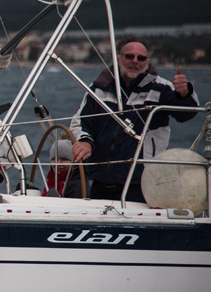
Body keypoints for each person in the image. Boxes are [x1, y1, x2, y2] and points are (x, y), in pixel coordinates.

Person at [70, 37, 199, 202]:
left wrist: (184, 94)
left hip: (143, 183)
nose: (135, 61)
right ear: (118, 58)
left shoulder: (161, 88)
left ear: (147, 62)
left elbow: (186, 114)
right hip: (101, 181)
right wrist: (85, 141)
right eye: (129, 56)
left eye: (141, 58)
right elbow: (81, 121)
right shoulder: (98, 88)